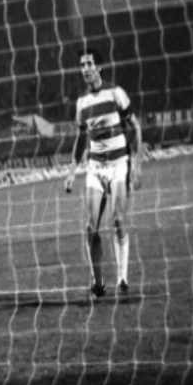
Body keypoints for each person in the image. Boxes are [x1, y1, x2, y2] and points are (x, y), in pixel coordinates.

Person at [64, 48, 142, 298]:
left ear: (99, 67)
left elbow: (135, 127)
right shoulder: (82, 102)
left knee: (118, 220)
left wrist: (136, 164)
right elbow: (80, 139)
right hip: (95, 168)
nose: (85, 68)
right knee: (90, 227)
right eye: (82, 65)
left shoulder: (116, 93)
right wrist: (71, 171)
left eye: (89, 64)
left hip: (118, 164)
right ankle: (98, 283)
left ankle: (122, 278)